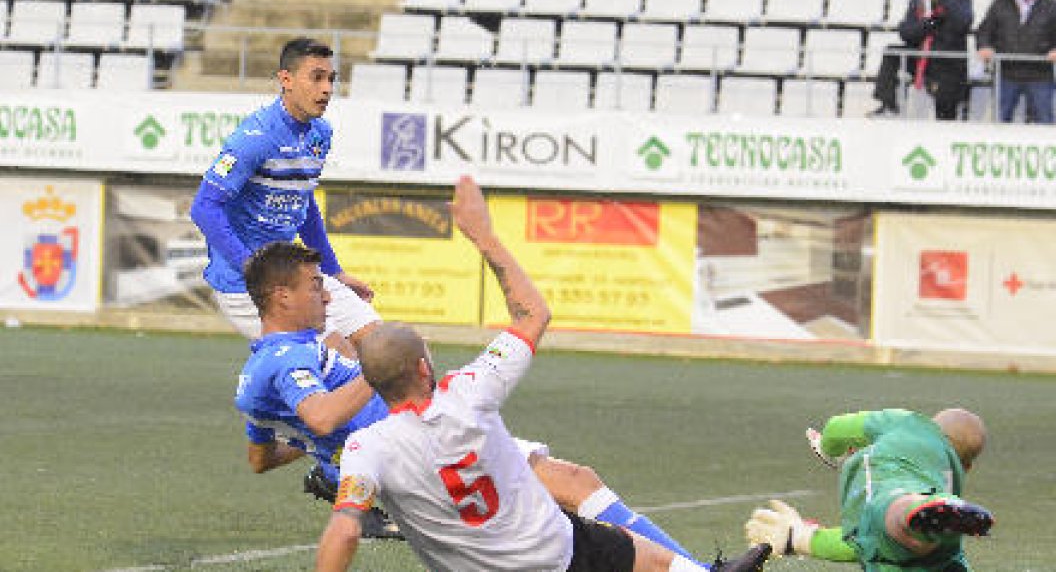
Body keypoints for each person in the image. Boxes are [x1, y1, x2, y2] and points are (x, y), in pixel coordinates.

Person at [235, 185, 727, 562]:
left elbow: (262, 455)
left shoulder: (274, 365)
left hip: (416, 433)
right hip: (421, 444)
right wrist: (378, 372)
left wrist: (318, 451)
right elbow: (320, 417)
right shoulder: (285, 360)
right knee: (556, 507)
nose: (326, 294)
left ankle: (696, 568)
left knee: (573, 485)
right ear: (281, 297)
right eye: (315, 286)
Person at [190, 37, 379, 355]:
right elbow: (204, 208)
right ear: (286, 80)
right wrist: (253, 269)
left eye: (331, 79)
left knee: (383, 346)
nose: (327, 89)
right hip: (245, 285)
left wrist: (334, 272)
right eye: (316, 77)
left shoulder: (320, 134)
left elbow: (303, 205)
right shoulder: (255, 138)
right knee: (339, 360)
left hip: (295, 276)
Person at [745, 408, 993, 571]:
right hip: (934, 540)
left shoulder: (906, 423)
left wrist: (828, 449)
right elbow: (862, 543)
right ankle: (925, 517)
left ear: (931, 424)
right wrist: (801, 538)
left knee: (891, 509)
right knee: (940, 553)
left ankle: (919, 512)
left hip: (888, 490)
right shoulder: (952, 479)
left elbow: (835, 428)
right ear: (967, 467)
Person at [869, 0, 974, 121]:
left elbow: (964, 23)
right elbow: (906, 32)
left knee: (946, 114)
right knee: (892, 53)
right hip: (923, 56)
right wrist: (929, 23)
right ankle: (888, 103)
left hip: (948, 62)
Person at [976, 0, 1056, 124]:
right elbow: (985, 30)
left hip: (1040, 73)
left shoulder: (1051, 4)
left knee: (1044, 122)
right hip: (1006, 72)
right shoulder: (1000, 3)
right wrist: (984, 46)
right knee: (1000, 122)